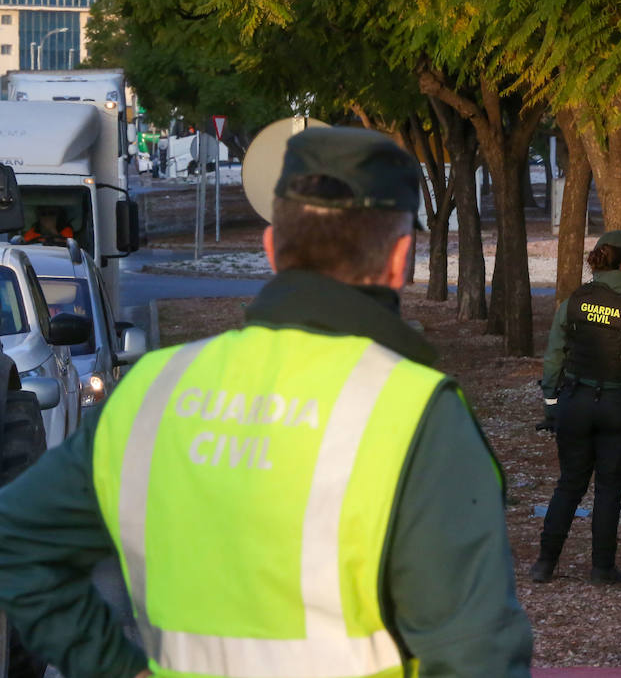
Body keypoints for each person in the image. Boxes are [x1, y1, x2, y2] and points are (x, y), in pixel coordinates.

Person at [0, 126, 533, 678]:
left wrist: (114, 666)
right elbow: (477, 658)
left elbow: (16, 539)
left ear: (273, 249)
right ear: (401, 258)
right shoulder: (418, 415)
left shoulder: (153, 392)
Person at [530, 230, 621, 586]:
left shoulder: (574, 302)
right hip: (619, 408)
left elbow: (553, 360)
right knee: (609, 489)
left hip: (575, 405)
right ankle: (602, 568)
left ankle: (544, 564)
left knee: (569, 485)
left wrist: (552, 407)